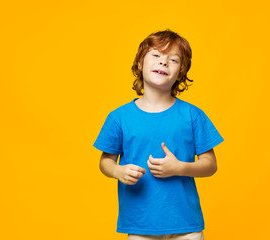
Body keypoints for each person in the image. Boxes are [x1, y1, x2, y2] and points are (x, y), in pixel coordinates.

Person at [93, 29, 224, 240]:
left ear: (181, 71)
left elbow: (210, 165)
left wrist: (180, 167)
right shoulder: (119, 117)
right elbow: (105, 161)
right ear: (139, 64)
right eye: (156, 55)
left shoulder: (192, 115)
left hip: (186, 224)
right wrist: (118, 171)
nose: (163, 62)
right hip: (140, 225)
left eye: (172, 59)